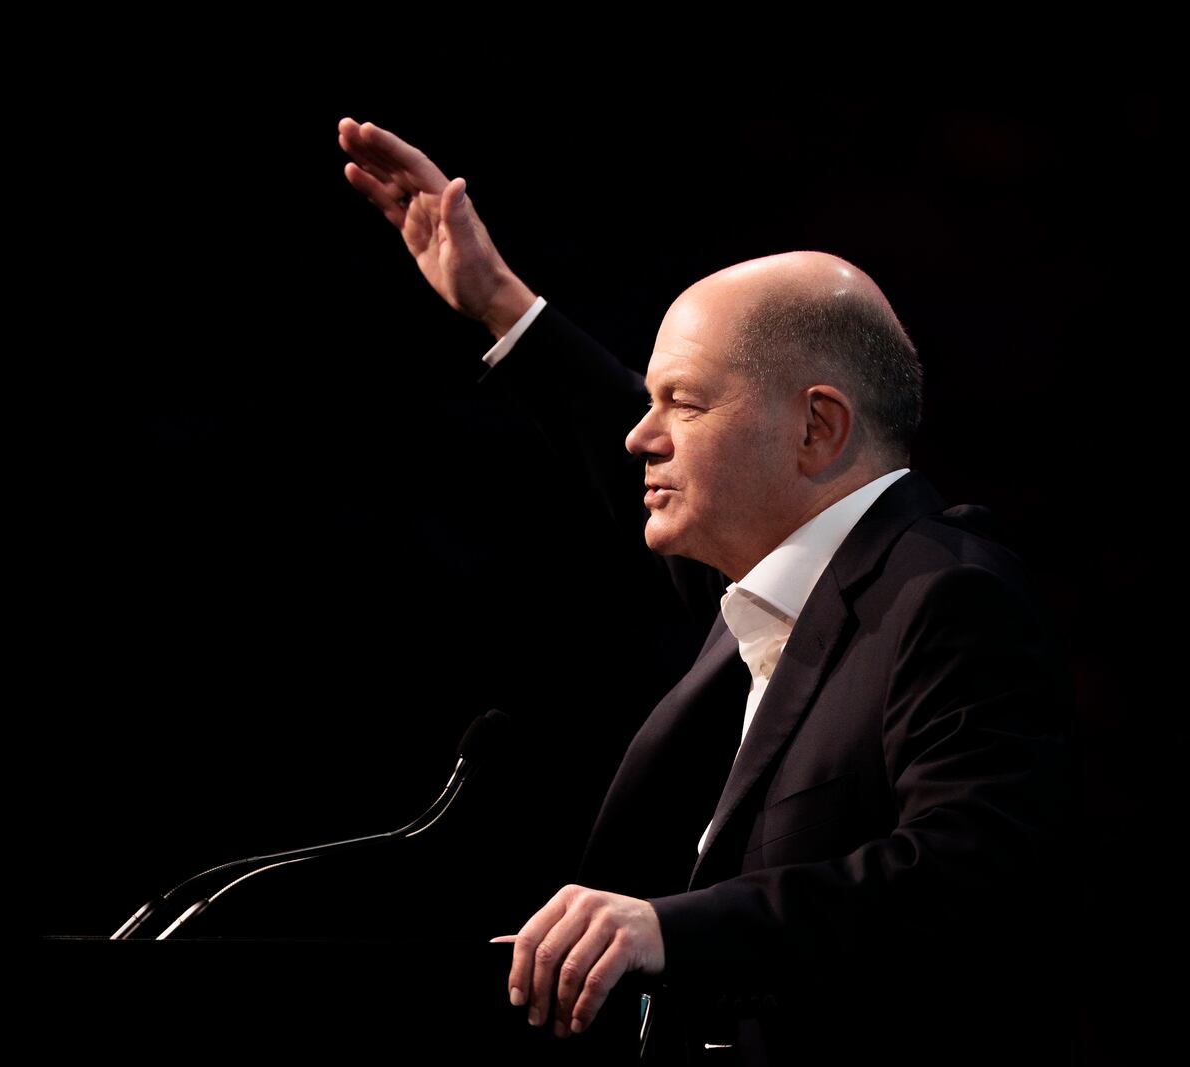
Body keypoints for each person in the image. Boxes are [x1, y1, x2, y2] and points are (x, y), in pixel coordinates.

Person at [338, 116, 1078, 1065]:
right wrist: (500, 306)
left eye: (680, 402)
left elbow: (966, 875)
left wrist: (670, 930)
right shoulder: (799, 596)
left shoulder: (946, 601)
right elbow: (627, 462)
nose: (644, 435)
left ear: (816, 429)